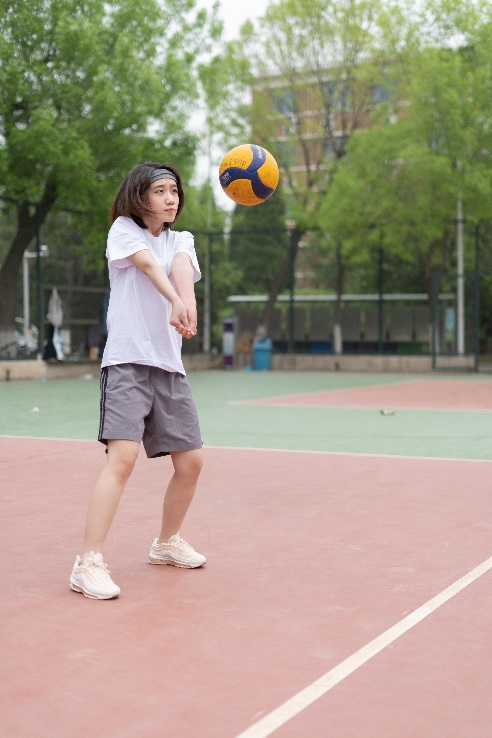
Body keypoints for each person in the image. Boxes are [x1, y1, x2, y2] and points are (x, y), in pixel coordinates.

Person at [70, 162, 205, 600]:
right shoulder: (123, 231)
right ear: (139, 195)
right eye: (160, 190)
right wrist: (173, 301)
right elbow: (149, 266)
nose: (171, 198)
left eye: (174, 191)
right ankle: (88, 562)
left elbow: (180, 268)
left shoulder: (181, 239)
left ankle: (166, 543)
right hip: (127, 362)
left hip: (169, 367)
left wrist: (187, 303)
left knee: (191, 462)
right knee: (123, 458)